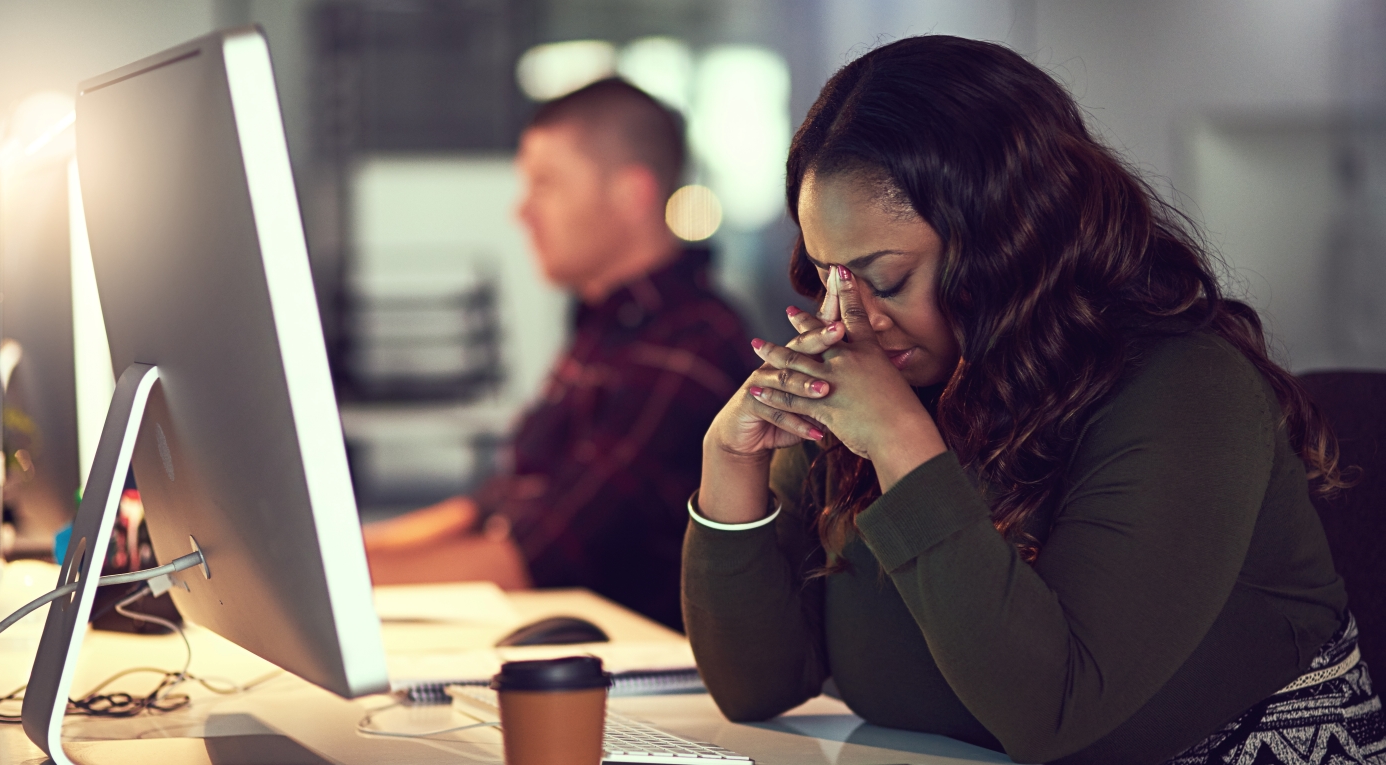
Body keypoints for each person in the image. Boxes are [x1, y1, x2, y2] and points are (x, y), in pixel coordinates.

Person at [682, 36, 1386, 765]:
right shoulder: (891, 379)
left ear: (1009, 243)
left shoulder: (1189, 389)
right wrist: (729, 461)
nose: (847, 313)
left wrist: (901, 443)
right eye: (828, 274)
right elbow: (755, 686)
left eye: (884, 278)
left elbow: (1052, 711)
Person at [364, 79, 753, 632]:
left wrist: (337, 575)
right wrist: (354, 548)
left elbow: (532, 557)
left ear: (631, 195)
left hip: (636, 685)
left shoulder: (686, 348)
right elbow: (501, 498)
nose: (522, 211)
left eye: (545, 184)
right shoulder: (611, 325)